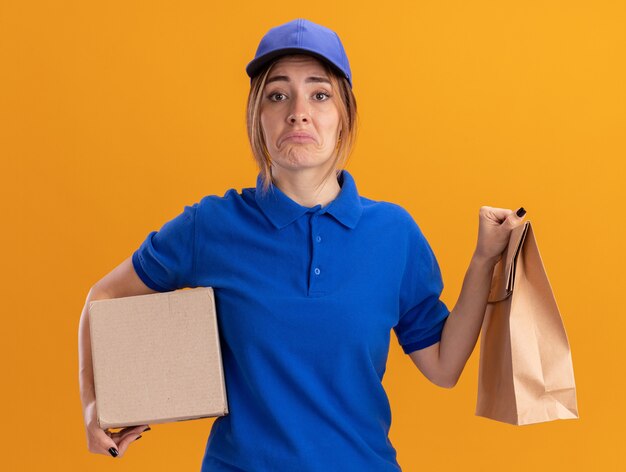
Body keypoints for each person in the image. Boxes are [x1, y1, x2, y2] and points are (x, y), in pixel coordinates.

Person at [79, 18, 527, 470]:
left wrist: (483, 259)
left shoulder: (395, 233)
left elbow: (444, 367)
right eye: (278, 95)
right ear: (258, 115)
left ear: (344, 115)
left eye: (320, 94)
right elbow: (105, 295)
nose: (299, 111)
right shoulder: (211, 226)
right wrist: (94, 404)